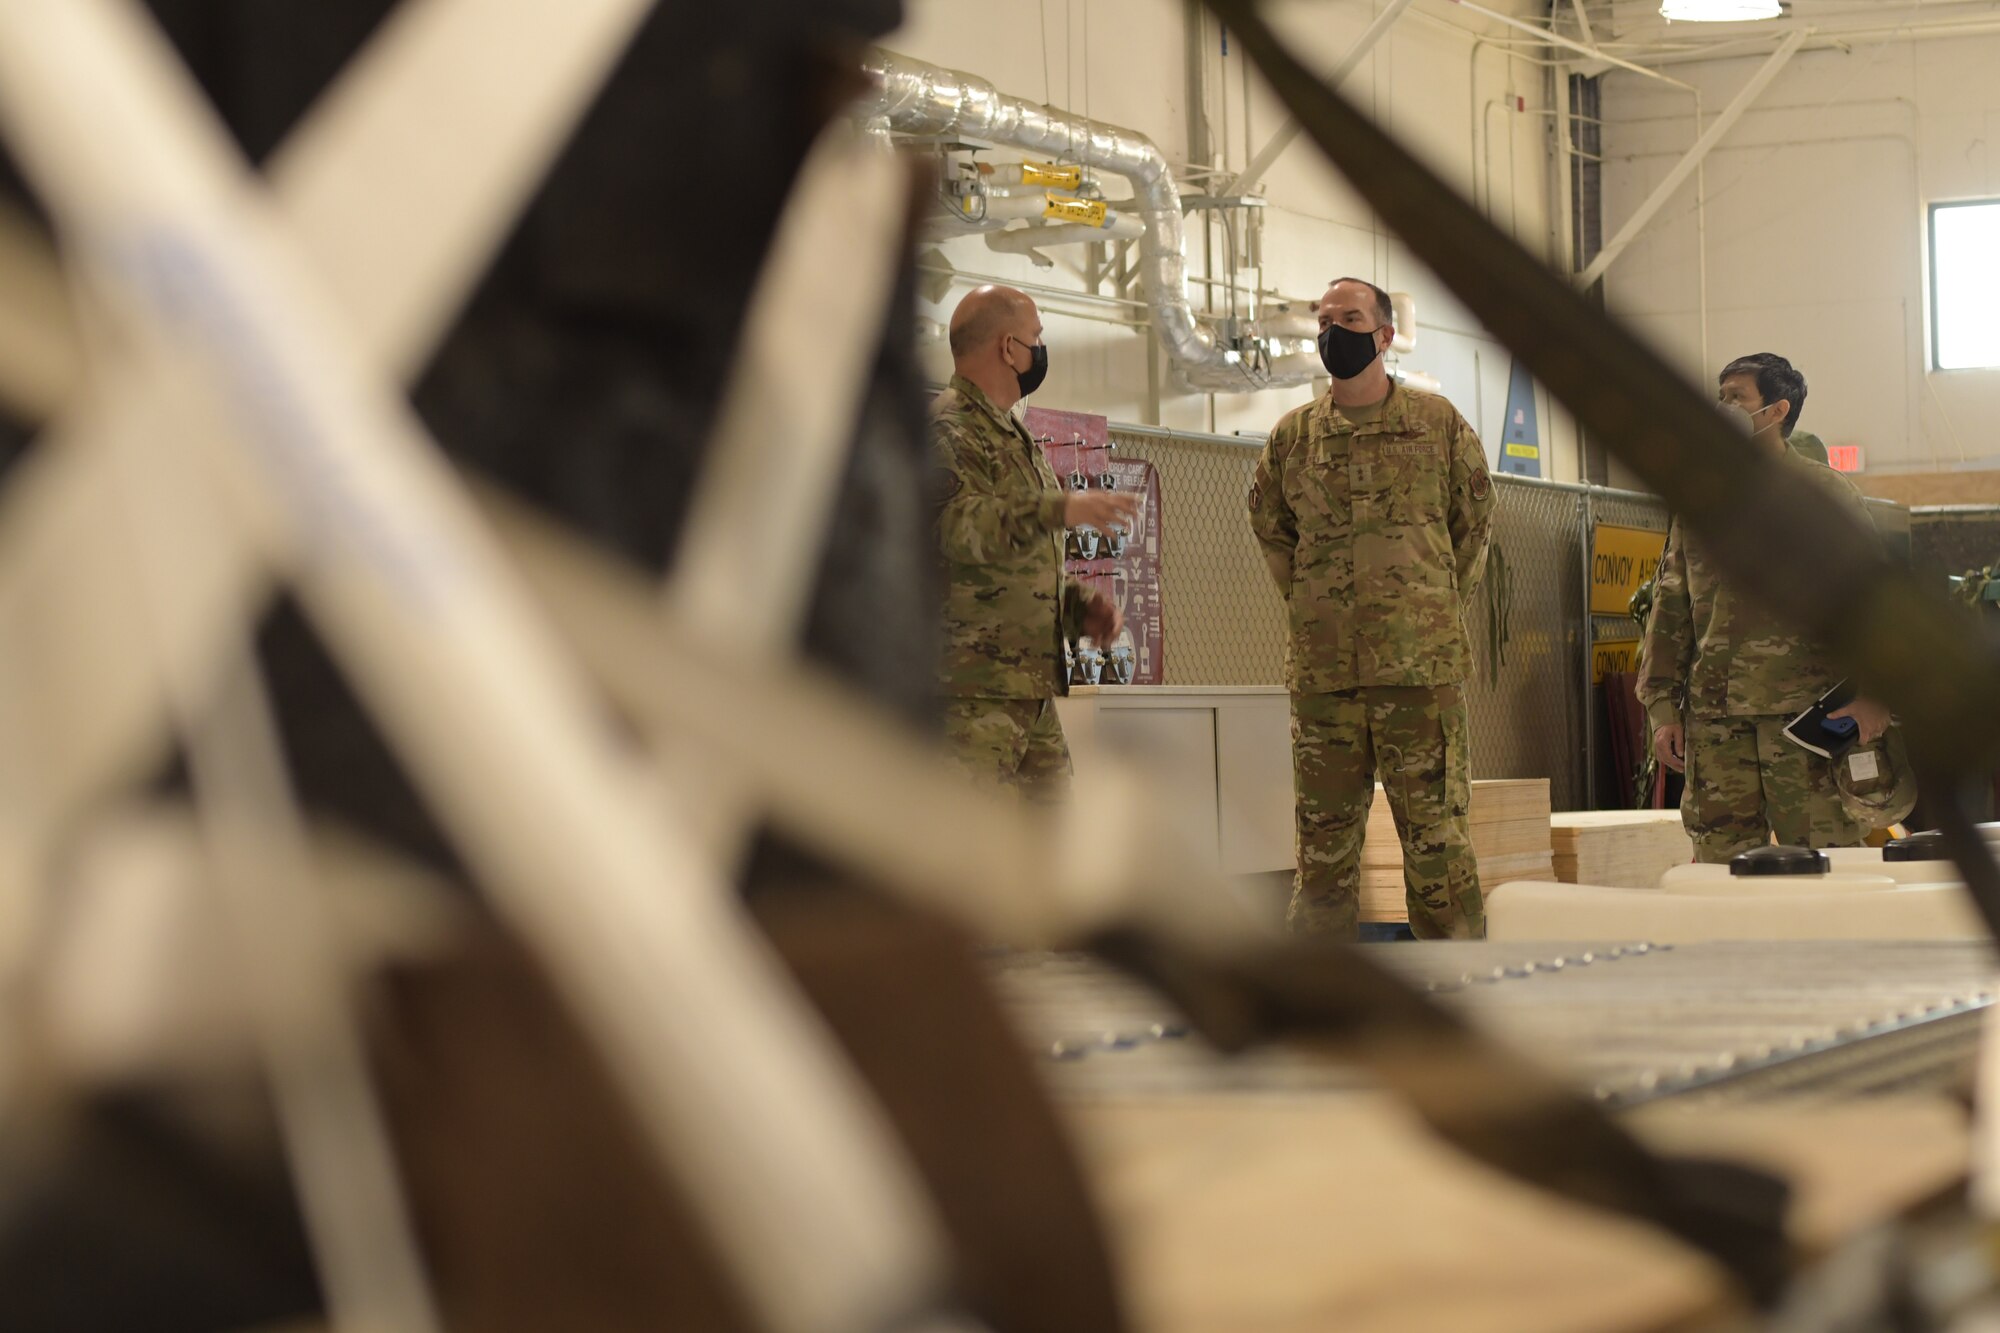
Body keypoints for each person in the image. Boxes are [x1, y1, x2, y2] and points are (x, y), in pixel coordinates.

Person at [1248, 276, 1495, 939]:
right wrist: (1310, 606)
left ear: (1384, 335)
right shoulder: (1293, 439)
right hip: (1326, 680)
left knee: (1437, 846)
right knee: (1322, 855)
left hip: (1420, 675)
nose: (1334, 331)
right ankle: (1319, 1010)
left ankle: (1464, 987)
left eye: (1350, 317)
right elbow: (1273, 531)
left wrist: (1430, 607)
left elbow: (1471, 526)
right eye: (1323, 319)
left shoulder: (1436, 425)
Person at [1637, 352, 1893, 860]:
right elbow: (1672, 606)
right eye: (1721, 394)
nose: (1723, 406)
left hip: (1806, 722)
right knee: (1719, 864)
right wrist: (1663, 709)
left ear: (1777, 411)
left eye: (1737, 397)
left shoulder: (1823, 494)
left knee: (1825, 861)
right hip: (1716, 722)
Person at [934, 285, 1137, 801]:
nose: (1040, 349)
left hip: (1029, 690)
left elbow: (1016, 562)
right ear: (1008, 348)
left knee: (1054, 856)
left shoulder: (1014, 437)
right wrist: (1060, 509)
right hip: (972, 694)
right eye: (1037, 337)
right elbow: (956, 527)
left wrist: (1078, 606)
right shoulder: (950, 428)